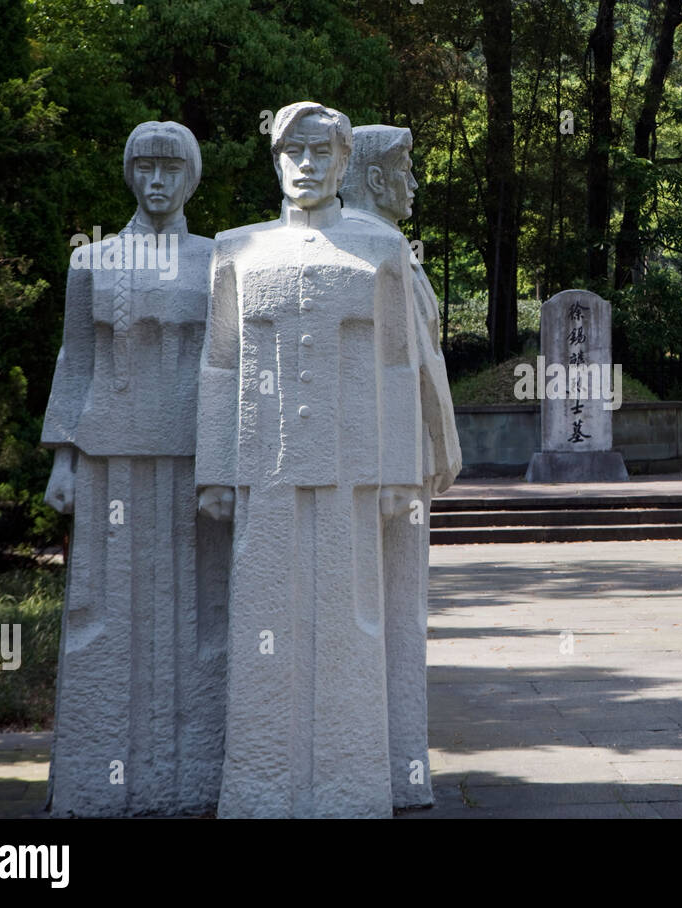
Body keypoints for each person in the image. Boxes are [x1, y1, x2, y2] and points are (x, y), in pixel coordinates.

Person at [196, 102, 422, 817]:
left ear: (345, 163)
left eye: (321, 153)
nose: (306, 165)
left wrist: (399, 472)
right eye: (292, 151)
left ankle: (349, 784)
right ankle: (262, 785)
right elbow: (218, 367)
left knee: (350, 620)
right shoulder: (235, 250)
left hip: (352, 470)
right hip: (262, 472)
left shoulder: (380, 251)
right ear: (273, 159)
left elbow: (396, 366)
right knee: (263, 613)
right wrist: (214, 469)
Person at [42, 121, 227, 816]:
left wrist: (228, 464)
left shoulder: (218, 260)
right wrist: (62, 457)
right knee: (106, 607)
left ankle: (190, 771)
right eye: (144, 167)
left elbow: (227, 367)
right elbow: (75, 361)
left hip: (192, 456)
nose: (156, 181)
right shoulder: (92, 262)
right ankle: (100, 775)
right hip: (108, 455)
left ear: (190, 177)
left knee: (198, 608)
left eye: (170, 169)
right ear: (129, 174)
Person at [340, 124, 461, 808]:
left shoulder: (388, 249)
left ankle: (397, 763)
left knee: (399, 609)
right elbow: (411, 371)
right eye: (406, 169)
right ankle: (389, 766)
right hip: (386, 463)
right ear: (377, 177)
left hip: (400, 459)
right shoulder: (371, 249)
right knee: (390, 609)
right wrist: (442, 445)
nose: (414, 182)